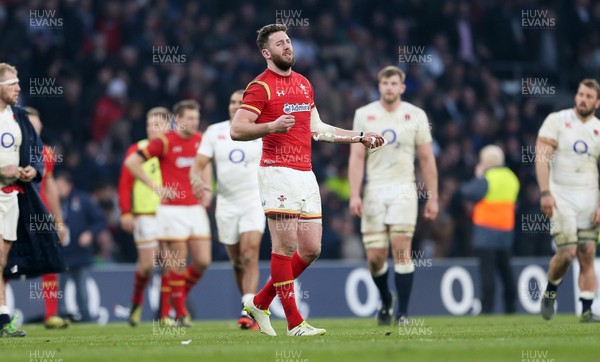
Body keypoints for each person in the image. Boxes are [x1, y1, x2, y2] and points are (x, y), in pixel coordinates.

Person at [230, 23, 384, 337]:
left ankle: (260, 302)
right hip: (277, 172)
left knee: (311, 248)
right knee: (284, 247)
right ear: (266, 53)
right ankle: (295, 323)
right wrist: (271, 126)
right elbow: (237, 129)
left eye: (288, 41)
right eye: (280, 43)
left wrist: (360, 136)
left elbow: (318, 128)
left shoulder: (303, 84)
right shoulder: (261, 87)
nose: (287, 46)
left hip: (305, 173)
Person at [348, 66, 438, 326]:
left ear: (402, 87)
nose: (389, 87)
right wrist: (355, 194)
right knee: (375, 257)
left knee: (401, 249)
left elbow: (426, 158)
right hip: (374, 190)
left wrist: (432, 197)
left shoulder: (416, 115)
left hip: (403, 188)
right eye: (385, 82)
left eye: (393, 83)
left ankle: (403, 313)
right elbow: (356, 156)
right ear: (379, 86)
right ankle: (386, 299)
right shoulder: (364, 115)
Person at [125, 100, 212, 327]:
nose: (195, 122)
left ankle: (176, 299)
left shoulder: (201, 140)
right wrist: (155, 188)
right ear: (178, 120)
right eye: (190, 118)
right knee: (173, 263)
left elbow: (206, 163)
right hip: (169, 211)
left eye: (197, 118)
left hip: (195, 208)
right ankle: (178, 312)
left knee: (203, 260)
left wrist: (208, 187)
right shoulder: (164, 142)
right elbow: (131, 163)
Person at [191, 90, 264, 330]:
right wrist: (197, 180)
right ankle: (250, 305)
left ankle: (249, 310)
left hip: (254, 200)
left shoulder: (261, 130)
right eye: (233, 102)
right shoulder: (215, 131)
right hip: (226, 204)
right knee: (236, 262)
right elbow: (199, 164)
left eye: (241, 102)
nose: (236, 106)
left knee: (249, 254)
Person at [537, 78, 600, 322]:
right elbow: (541, 158)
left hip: (589, 198)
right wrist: (545, 192)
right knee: (567, 253)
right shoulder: (557, 121)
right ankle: (550, 292)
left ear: (597, 102)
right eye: (580, 94)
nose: (583, 99)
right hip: (561, 196)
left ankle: (586, 310)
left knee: (587, 251)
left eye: (588, 96)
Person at [0, 63, 55, 337]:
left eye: (18, 82)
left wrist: (33, 169)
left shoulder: (20, 117)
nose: (18, 88)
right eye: (12, 83)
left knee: (1, 261)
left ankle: (2, 321)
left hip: (11, 197)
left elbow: (35, 152)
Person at [118, 107, 170, 326]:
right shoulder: (137, 149)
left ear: (168, 127)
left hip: (170, 213)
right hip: (144, 215)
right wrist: (126, 211)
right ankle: (136, 302)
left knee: (169, 262)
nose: (151, 129)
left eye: (157, 125)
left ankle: (164, 315)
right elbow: (124, 183)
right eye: (149, 125)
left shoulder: (173, 148)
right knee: (147, 265)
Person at [460, 145, 519, 314]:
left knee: (488, 274)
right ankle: (511, 307)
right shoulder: (512, 177)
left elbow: (467, 192)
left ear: (485, 162)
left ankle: (487, 308)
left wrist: (478, 175)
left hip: (486, 233)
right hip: (506, 231)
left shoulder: (487, 178)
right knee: (506, 271)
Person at [26, 107, 69, 329]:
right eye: (30, 124)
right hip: (15, 211)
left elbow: (50, 188)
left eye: (37, 123)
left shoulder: (46, 153)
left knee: (51, 260)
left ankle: (51, 315)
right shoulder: (9, 150)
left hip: (40, 215)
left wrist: (59, 221)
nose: (35, 127)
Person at [55, 170, 106, 322]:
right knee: (58, 289)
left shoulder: (83, 200)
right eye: (55, 187)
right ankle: (57, 316)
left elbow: (100, 220)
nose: (57, 190)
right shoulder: (52, 203)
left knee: (81, 289)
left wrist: (90, 233)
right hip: (60, 254)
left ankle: (86, 317)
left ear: (68, 186)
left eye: (60, 186)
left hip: (80, 253)